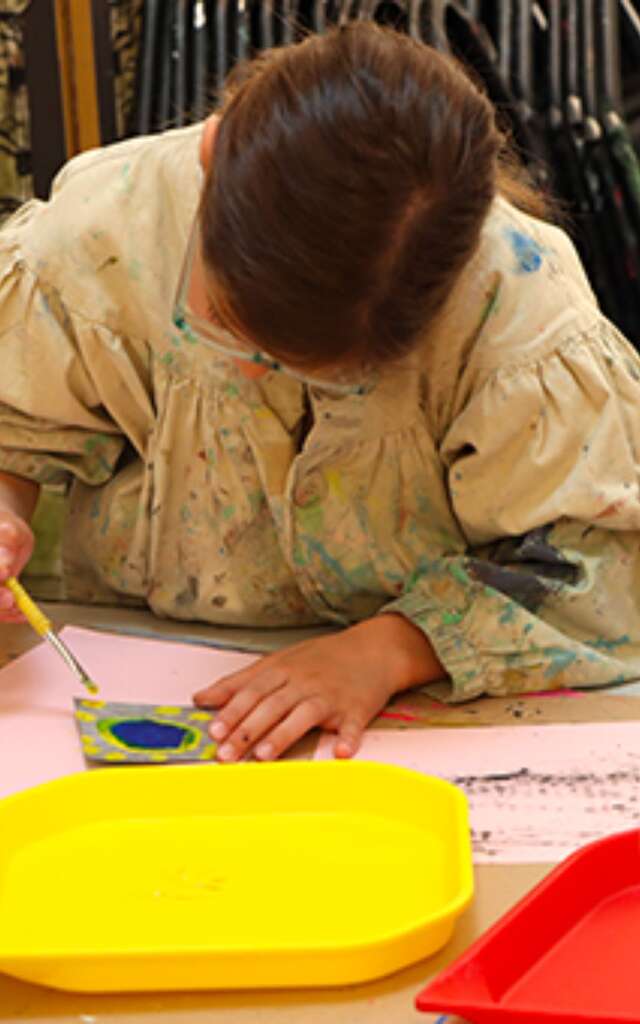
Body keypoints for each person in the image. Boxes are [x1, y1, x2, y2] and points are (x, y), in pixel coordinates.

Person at [1, 23, 640, 764]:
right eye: (237, 327)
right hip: (126, 654)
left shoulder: (516, 300)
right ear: (211, 154)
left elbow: (600, 569)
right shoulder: (103, 230)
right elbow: (19, 424)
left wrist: (390, 651)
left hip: (425, 701)